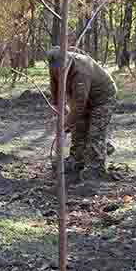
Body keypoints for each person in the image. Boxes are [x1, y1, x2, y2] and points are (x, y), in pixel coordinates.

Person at [47, 48, 116, 178]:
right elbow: (54, 83)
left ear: (67, 62)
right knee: (78, 129)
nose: (58, 72)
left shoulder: (81, 71)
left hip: (102, 98)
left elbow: (79, 106)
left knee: (94, 133)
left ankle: (96, 167)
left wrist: (63, 126)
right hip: (82, 97)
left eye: (61, 69)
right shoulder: (54, 63)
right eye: (55, 69)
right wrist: (56, 104)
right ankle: (77, 159)